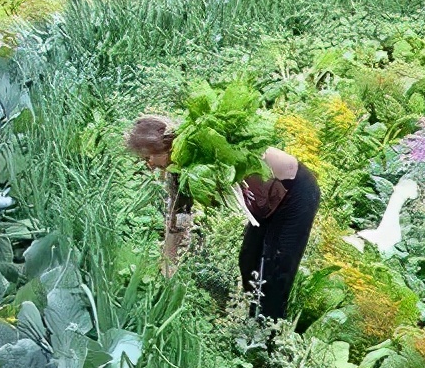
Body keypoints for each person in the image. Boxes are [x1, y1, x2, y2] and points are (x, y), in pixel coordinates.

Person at [124, 114, 320, 320]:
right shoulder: (181, 167)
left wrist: (169, 262)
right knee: (248, 261)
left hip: (295, 191)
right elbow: (178, 220)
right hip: (266, 203)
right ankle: (253, 323)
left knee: (274, 275)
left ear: (163, 146)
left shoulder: (204, 147)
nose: (149, 165)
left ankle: (268, 340)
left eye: (148, 157)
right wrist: (166, 267)